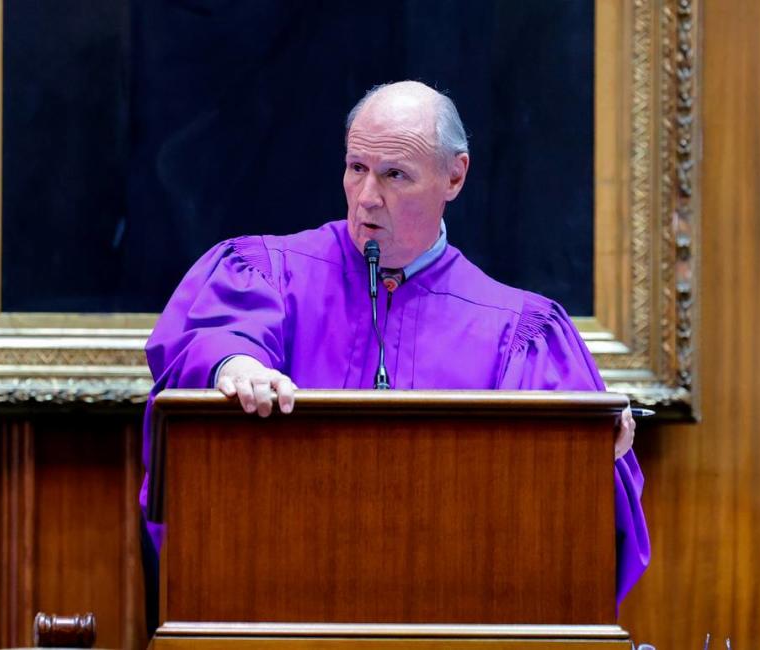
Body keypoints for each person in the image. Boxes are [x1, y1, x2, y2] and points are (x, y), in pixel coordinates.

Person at [141, 81, 649, 622]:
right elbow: (218, 338)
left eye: (394, 175)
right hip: (274, 609)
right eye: (356, 167)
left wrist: (597, 445)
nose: (366, 197)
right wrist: (235, 366)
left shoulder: (518, 331)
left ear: (454, 176)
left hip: (454, 619)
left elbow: (579, 518)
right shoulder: (269, 271)